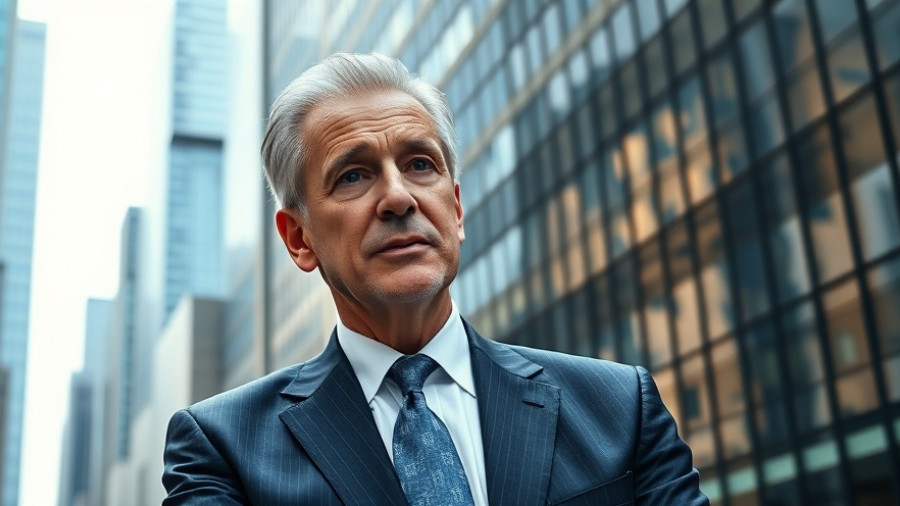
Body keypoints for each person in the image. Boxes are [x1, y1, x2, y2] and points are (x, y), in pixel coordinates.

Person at [162, 52, 708, 506]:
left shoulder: (620, 409)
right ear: (299, 239)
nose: (399, 197)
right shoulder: (222, 448)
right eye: (353, 175)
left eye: (420, 164)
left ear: (457, 209)